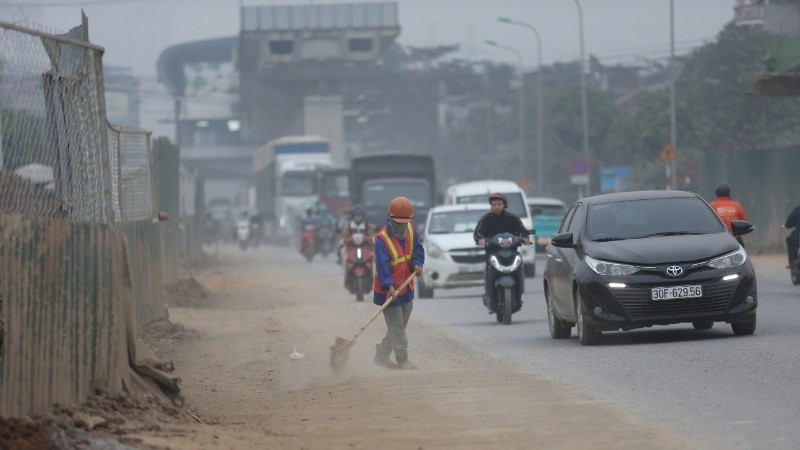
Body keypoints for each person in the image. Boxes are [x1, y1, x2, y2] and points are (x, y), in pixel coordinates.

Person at [373, 196, 425, 370]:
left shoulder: (411, 230)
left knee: (399, 326)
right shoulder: (382, 239)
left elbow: (417, 249)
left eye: (405, 222)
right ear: (390, 218)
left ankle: (381, 354)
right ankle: (403, 360)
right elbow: (382, 265)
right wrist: (389, 286)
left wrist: (417, 264)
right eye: (398, 222)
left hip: (406, 286)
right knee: (397, 327)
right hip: (389, 290)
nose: (401, 226)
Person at [473, 193, 531, 311]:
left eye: (499, 204)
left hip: (511, 253)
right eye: (494, 204)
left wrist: (525, 238)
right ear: (490, 206)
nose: (496, 207)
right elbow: (478, 233)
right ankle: (489, 296)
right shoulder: (486, 219)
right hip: (492, 253)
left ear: (504, 205)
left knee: (519, 268)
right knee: (489, 271)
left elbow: (523, 230)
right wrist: (481, 240)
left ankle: (519, 295)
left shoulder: (513, 218)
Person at [709, 182, 749, 247]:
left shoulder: (711, 206)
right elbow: (746, 221)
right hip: (735, 239)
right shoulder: (737, 205)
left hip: (717, 239)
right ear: (729, 193)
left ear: (716, 193)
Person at [785, 199, 800, 268]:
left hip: (798, 240)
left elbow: (789, 223)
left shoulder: (798, 210)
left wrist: (786, 225)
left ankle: (793, 262)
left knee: (789, 240)